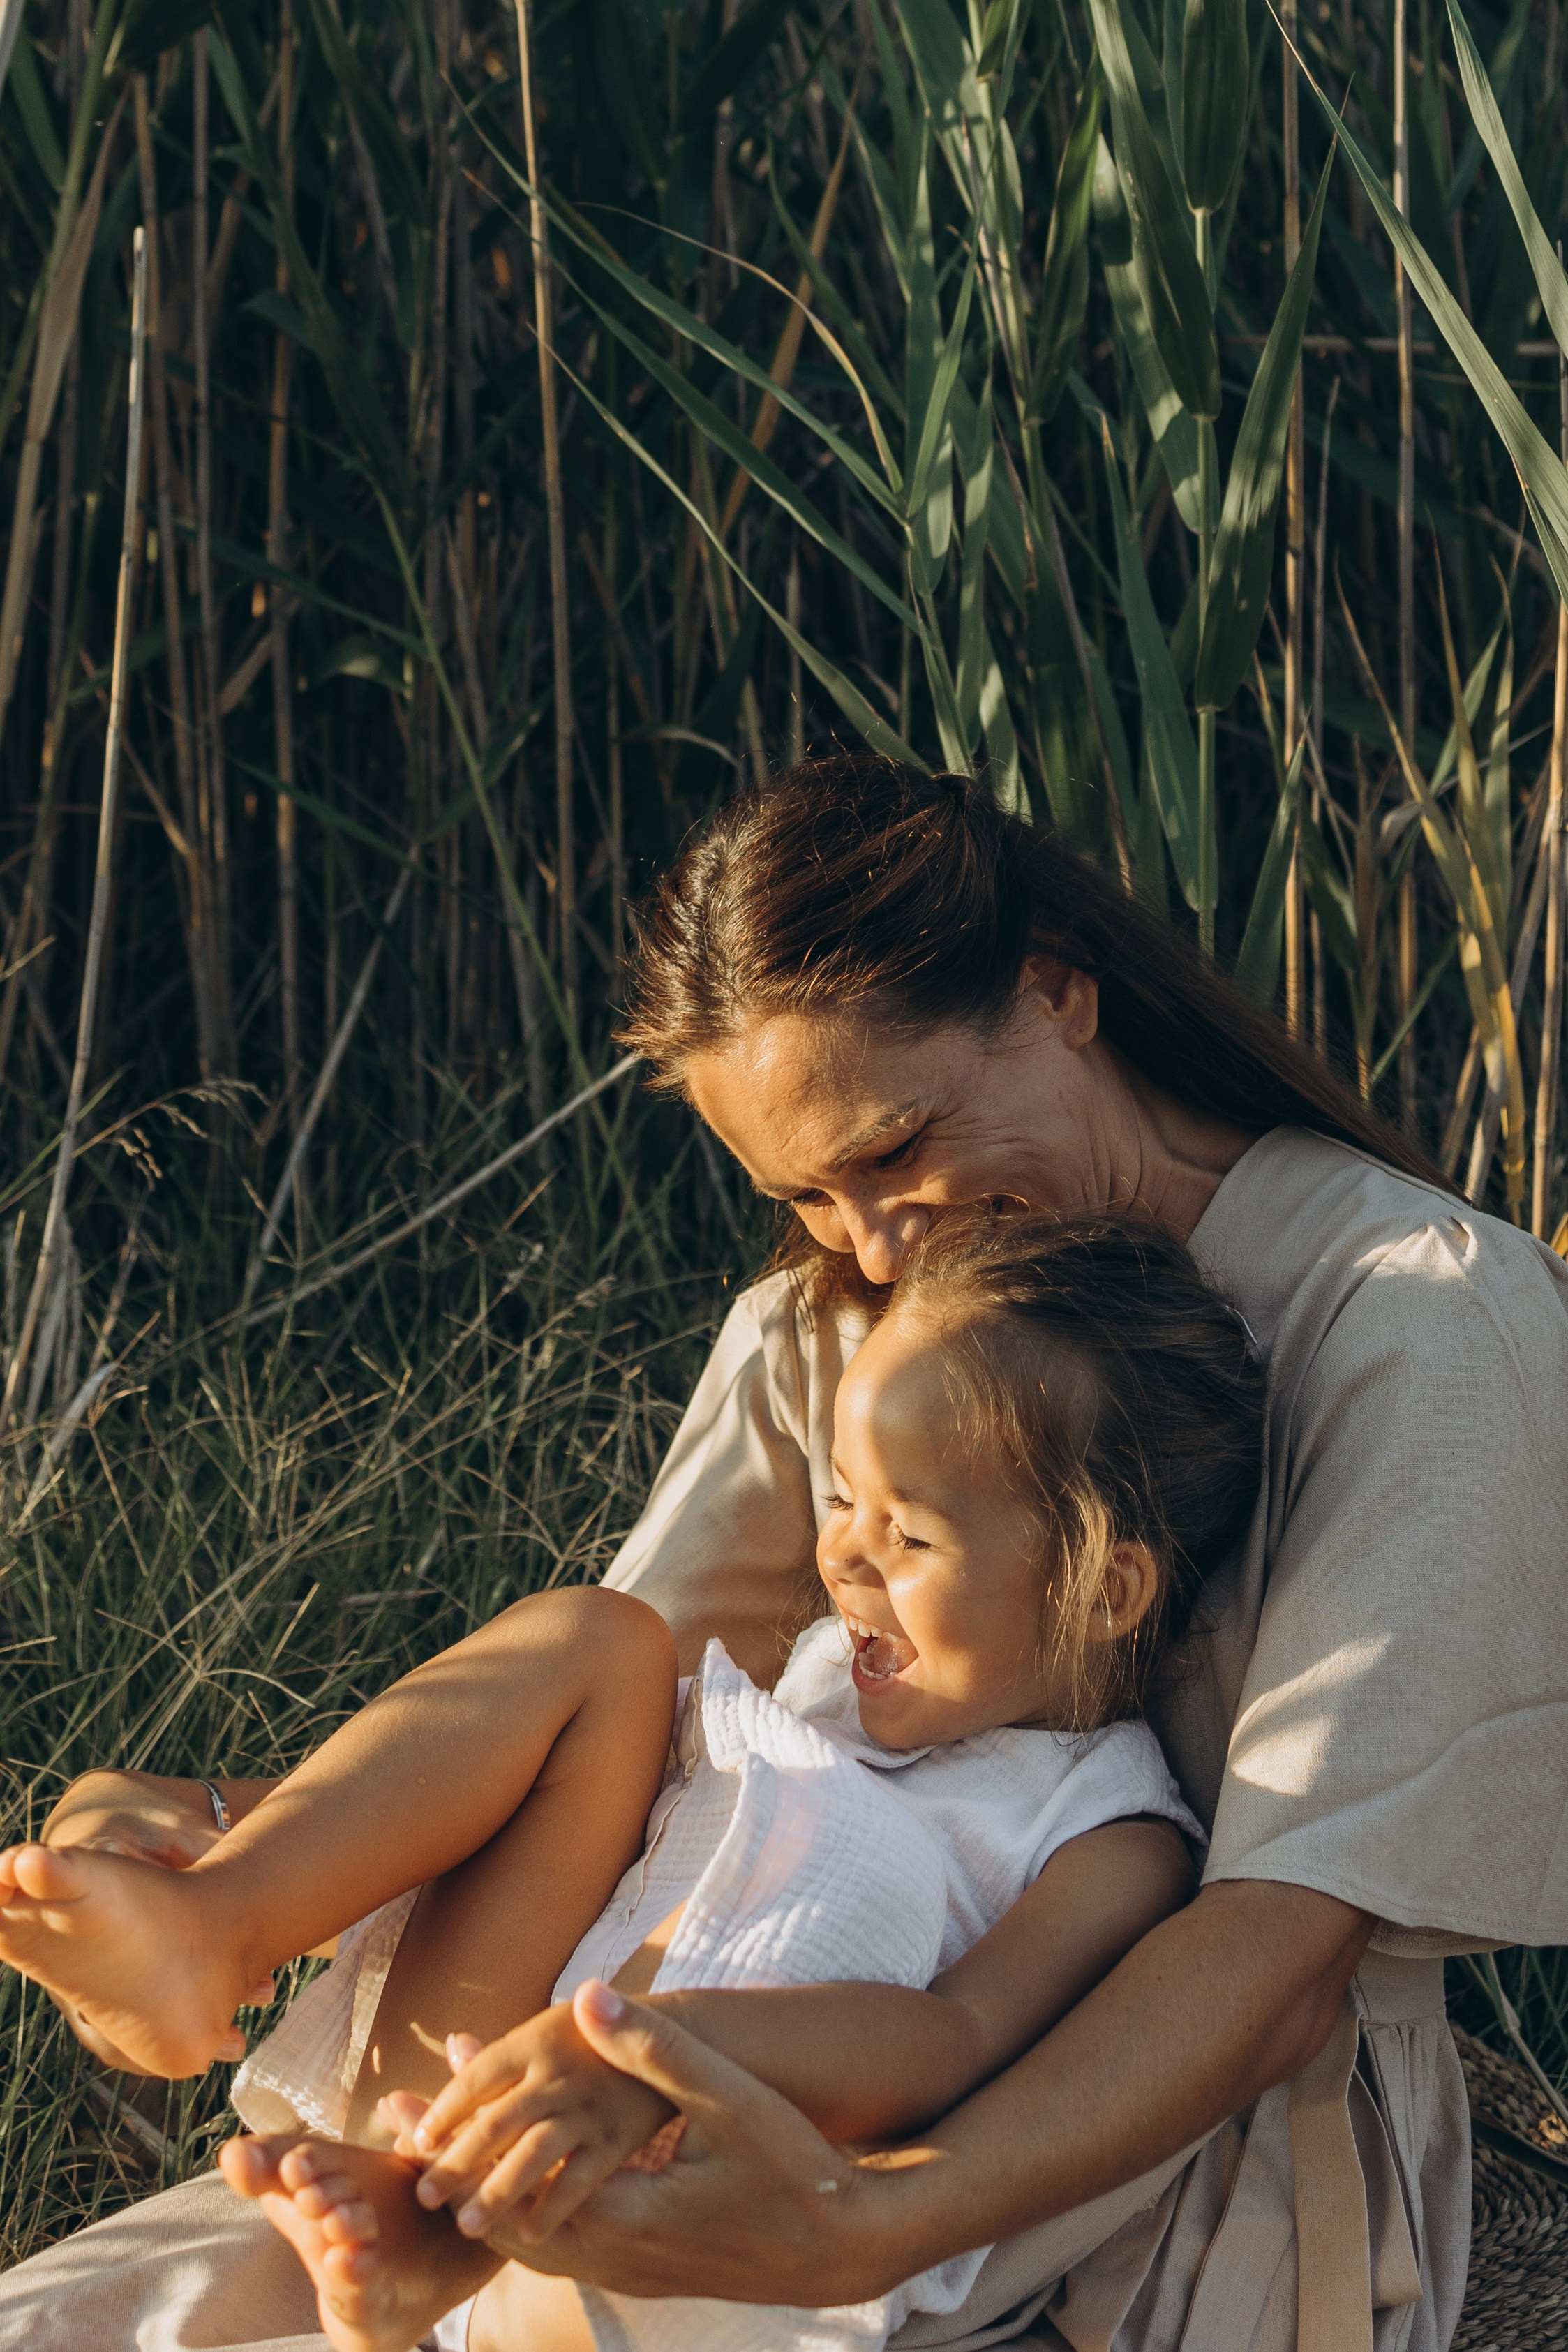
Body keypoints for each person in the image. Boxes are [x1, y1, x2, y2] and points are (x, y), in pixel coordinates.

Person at [3, 756, 1566, 2352]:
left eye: (893, 1145)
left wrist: (863, 2220)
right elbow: (612, 1748)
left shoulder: (1419, 1315)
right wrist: (219, 1843)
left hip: (1106, 2151)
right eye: (806, 1191)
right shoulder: (840, 1319)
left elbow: (1278, 1947)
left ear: (1053, 993)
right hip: (604, 2074)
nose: (873, 1241)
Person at [3, 1212, 1257, 2352]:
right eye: (840, 1499)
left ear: (1104, 1589)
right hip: (450, 2109)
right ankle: (225, 1924)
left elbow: (955, 2041)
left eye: (910, 1532)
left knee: (868, 1859)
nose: (844, 1557)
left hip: (681, 2227)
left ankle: (453, 2243)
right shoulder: (820, 1682)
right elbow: (528, 1812)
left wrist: (648, 2058)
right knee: (606, 1642)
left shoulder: (1112, 1825)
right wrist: (214, 1820)